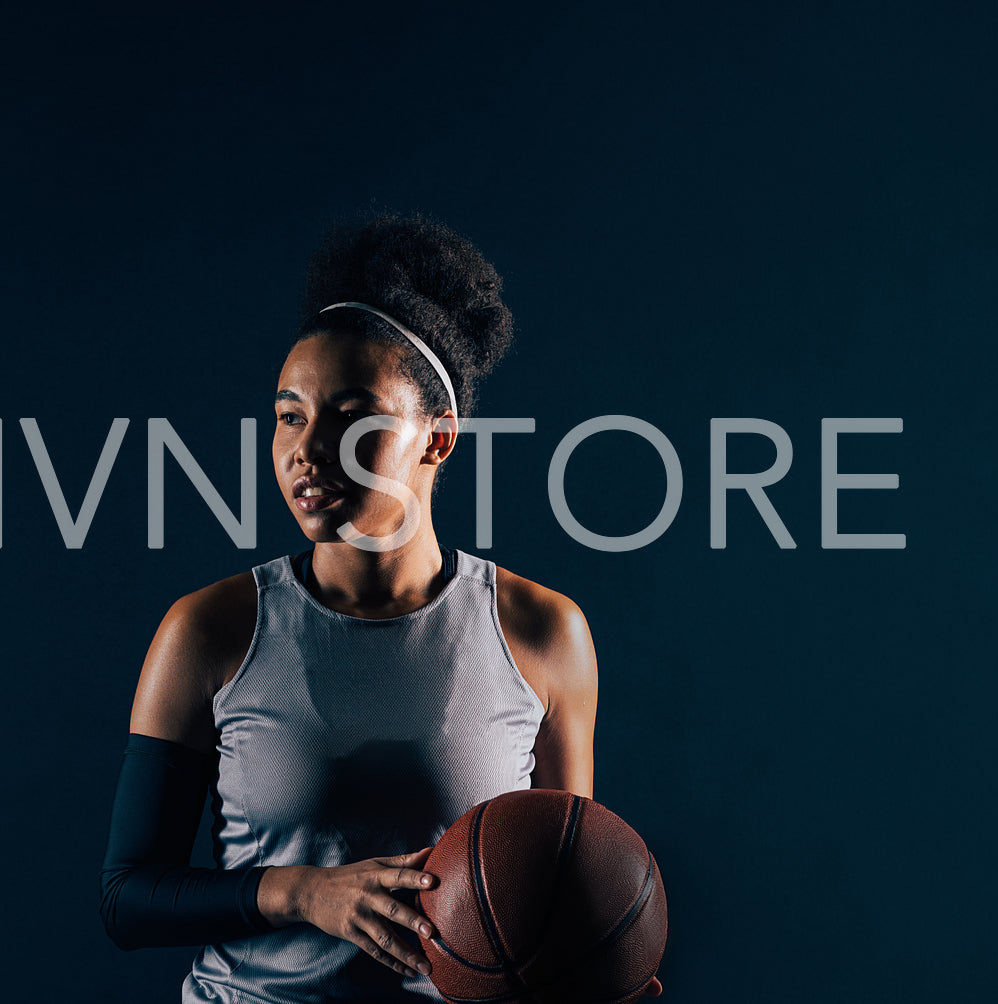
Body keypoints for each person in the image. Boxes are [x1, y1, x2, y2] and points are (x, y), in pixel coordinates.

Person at [101, 213, 664, 1002]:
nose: (306, 449)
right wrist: (304, 892)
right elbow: (127, 900)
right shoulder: (209, 629)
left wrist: (594, 971)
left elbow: (561, 883)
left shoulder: (542, 631)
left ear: (436, 440)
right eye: (289, 415)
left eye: (350, 417)